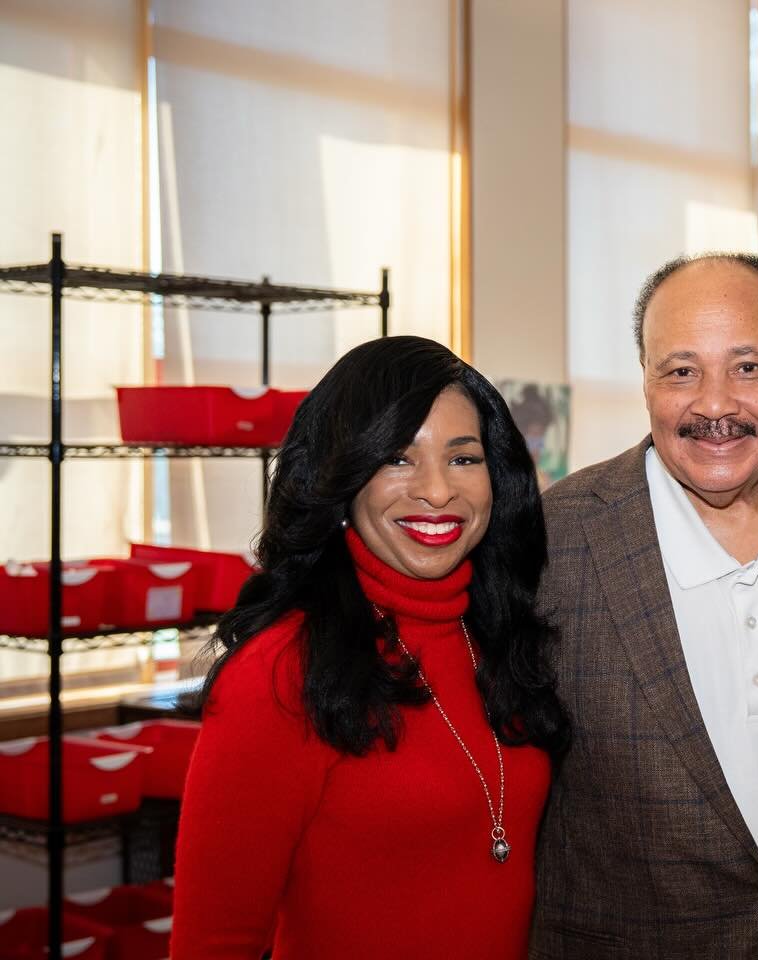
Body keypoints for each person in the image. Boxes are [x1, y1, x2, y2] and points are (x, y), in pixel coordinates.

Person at [530, 253, 758, 958]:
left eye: (748, 367)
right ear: (645, 381)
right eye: (681, 371)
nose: (715, 404)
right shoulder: (555, 540)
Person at [171, 336, 569, 959]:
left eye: (463, 459)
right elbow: (213, 941)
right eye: (398, 459)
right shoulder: (282, 670)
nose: (438, 491)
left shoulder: (500, 637)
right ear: (342, 478)